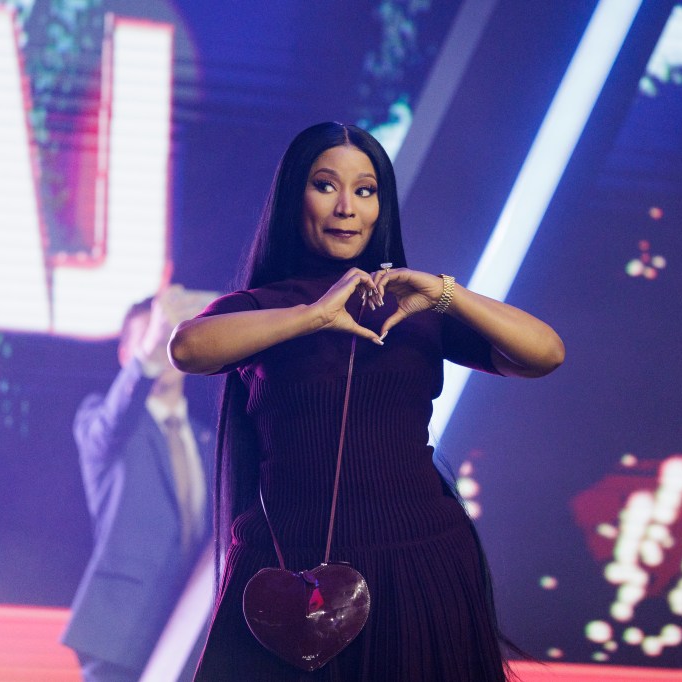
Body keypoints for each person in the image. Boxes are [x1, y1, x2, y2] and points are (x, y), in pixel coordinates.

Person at [168, 122, 565, 681]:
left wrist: (446, 294)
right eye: (326, 185)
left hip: (417, 561)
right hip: (287, 567)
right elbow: (187, 348)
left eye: (366, 189)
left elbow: (546, 352)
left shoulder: (413, 306)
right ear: (293, 198)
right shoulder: (262, 307)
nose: (346, 208)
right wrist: (313, 316)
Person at [63, 285, 216, 682]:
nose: (165, 347)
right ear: (128, 353)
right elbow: (114, 418)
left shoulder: (208, 440)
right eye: (154, 339)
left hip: (190, 633)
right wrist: (150, 348)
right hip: (122, 633)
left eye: (171, 335)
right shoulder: (103, 423)